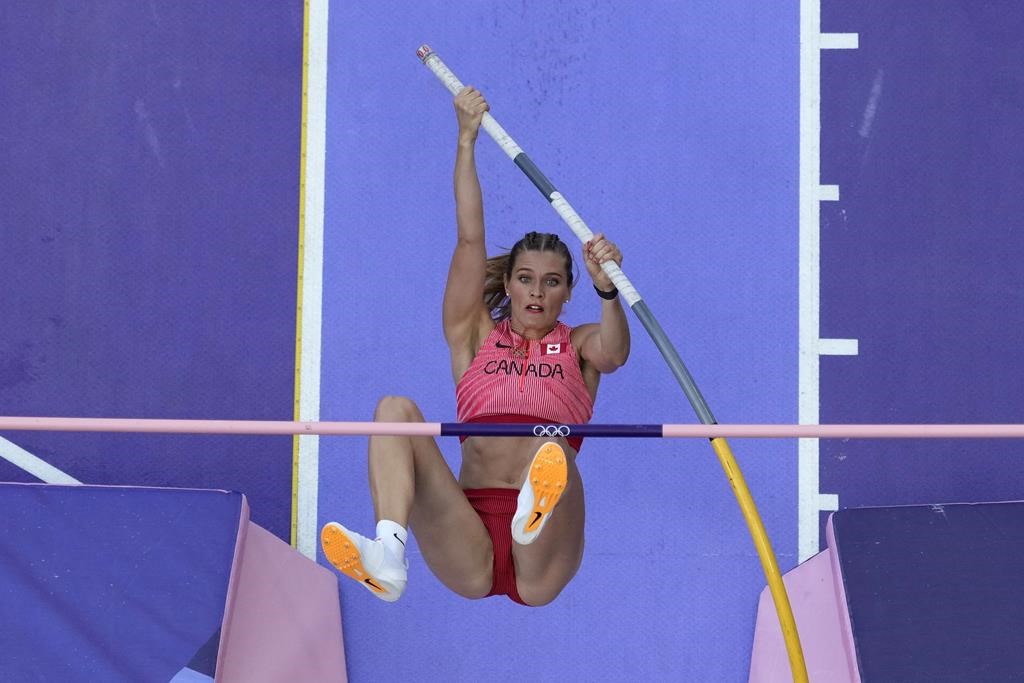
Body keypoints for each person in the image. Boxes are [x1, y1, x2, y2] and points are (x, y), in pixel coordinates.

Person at [321, 86, 630, 607]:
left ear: (568, 292)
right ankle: (388, 553)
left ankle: (536, 511)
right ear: (507, 285)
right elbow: (470, 239)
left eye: (552, 282)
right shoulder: (475, 336)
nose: (536, 290)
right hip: (469, 541)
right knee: (393, 410)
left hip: (544, 560)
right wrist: (466, 141)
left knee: (551, 448)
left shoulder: (578, 345)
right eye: (526, 278)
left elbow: (616, 353)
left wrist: (609, 288)